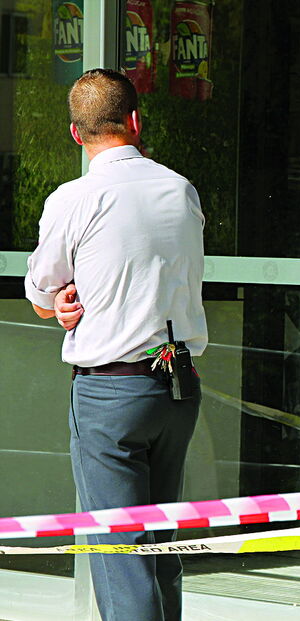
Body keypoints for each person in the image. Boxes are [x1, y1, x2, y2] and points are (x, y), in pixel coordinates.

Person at [24, 68, 208, 621]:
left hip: (110, 393)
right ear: (134, 120)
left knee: (119, 554)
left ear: (76, 134)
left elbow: (40, 294)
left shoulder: (75, 198)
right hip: (177, 387)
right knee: (158, 547)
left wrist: (59, 306)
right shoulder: (180, 189)